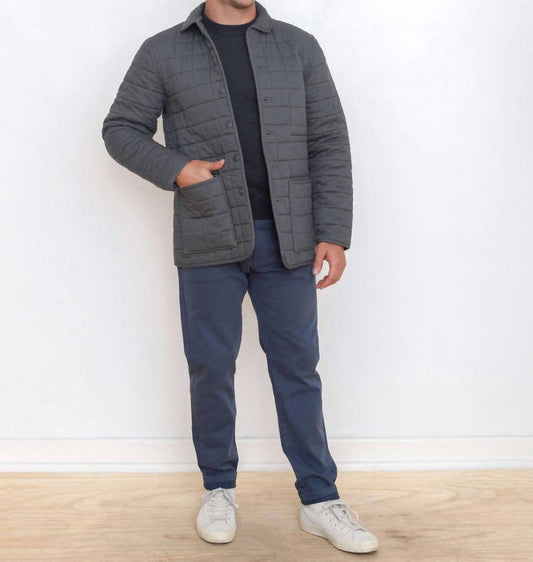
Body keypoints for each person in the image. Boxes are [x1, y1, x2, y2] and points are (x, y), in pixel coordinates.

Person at [102, 0, 378, 554]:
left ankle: (320, 498)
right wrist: (177, 169)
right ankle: (218, 489)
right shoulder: (163, 50)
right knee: (211, 368)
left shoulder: (297, 46)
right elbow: (121, 129)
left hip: (290, 238)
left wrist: (334, 231)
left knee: (297, 368)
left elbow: (328, 140)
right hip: (209, 236)